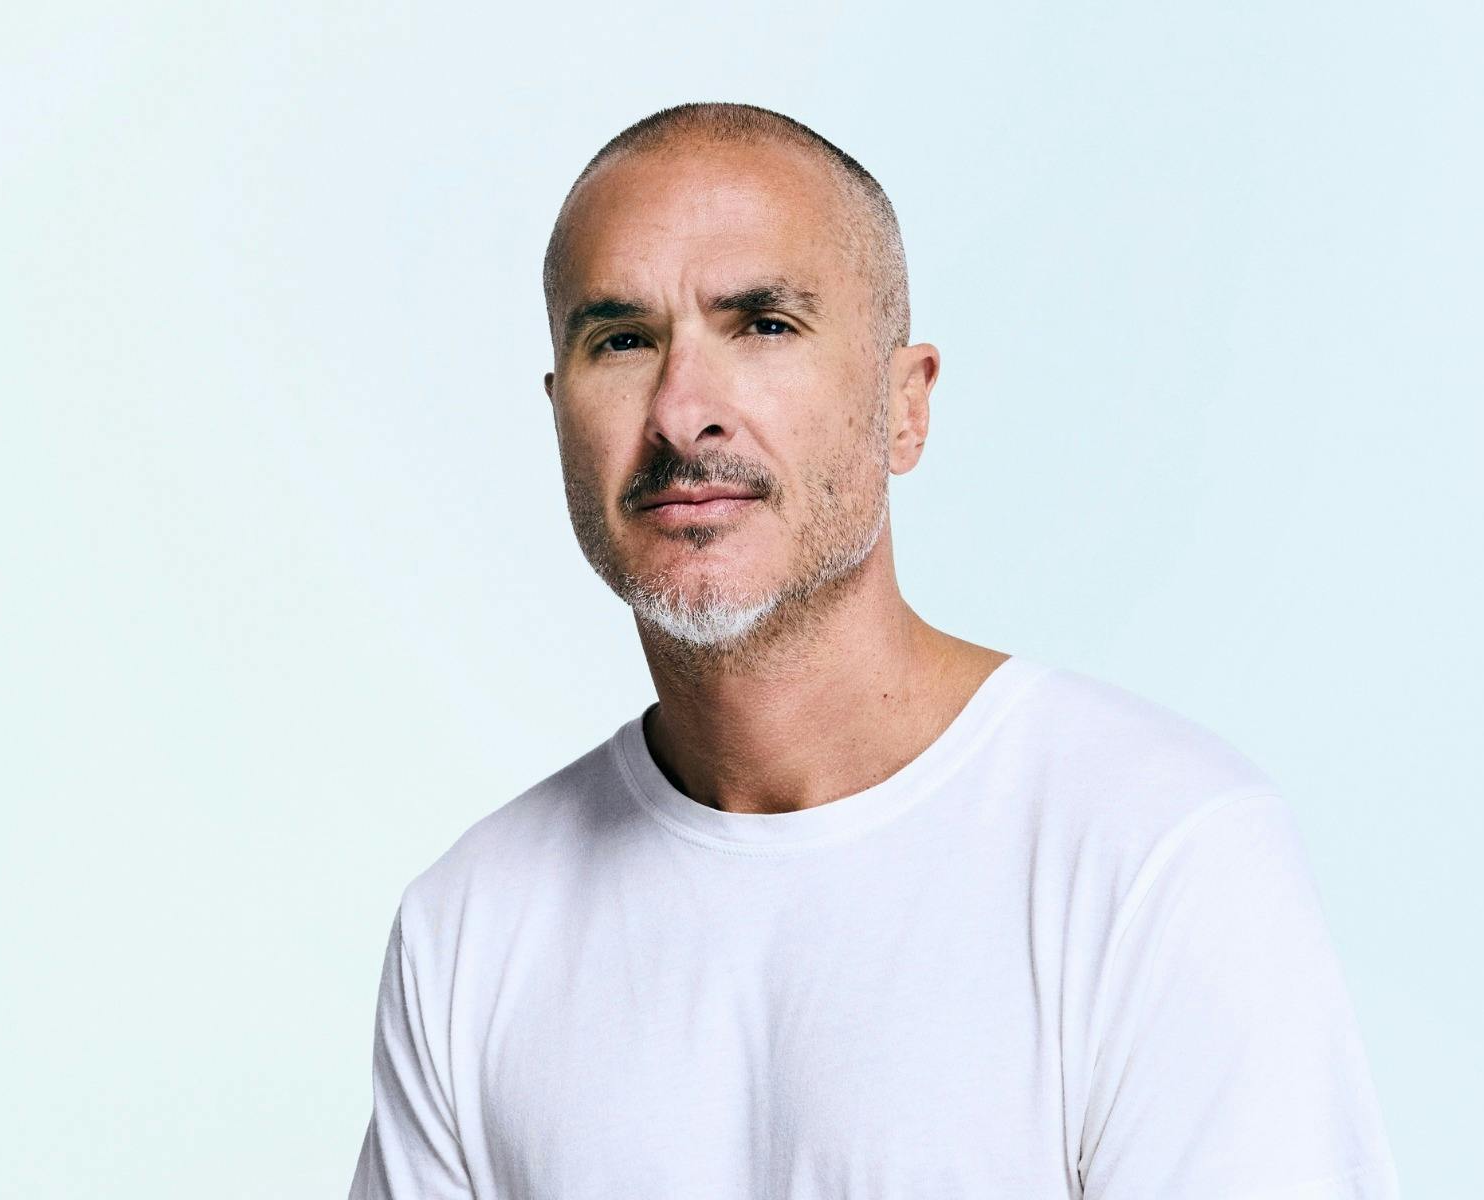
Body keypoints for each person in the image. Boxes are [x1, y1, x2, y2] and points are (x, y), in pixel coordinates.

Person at [346, 101, 1400, 1199]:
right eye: (621, 340)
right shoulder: (469, 927)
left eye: (762, 324)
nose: (681, 412)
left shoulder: (1153, 855)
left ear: (903, 408)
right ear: (560, 413)